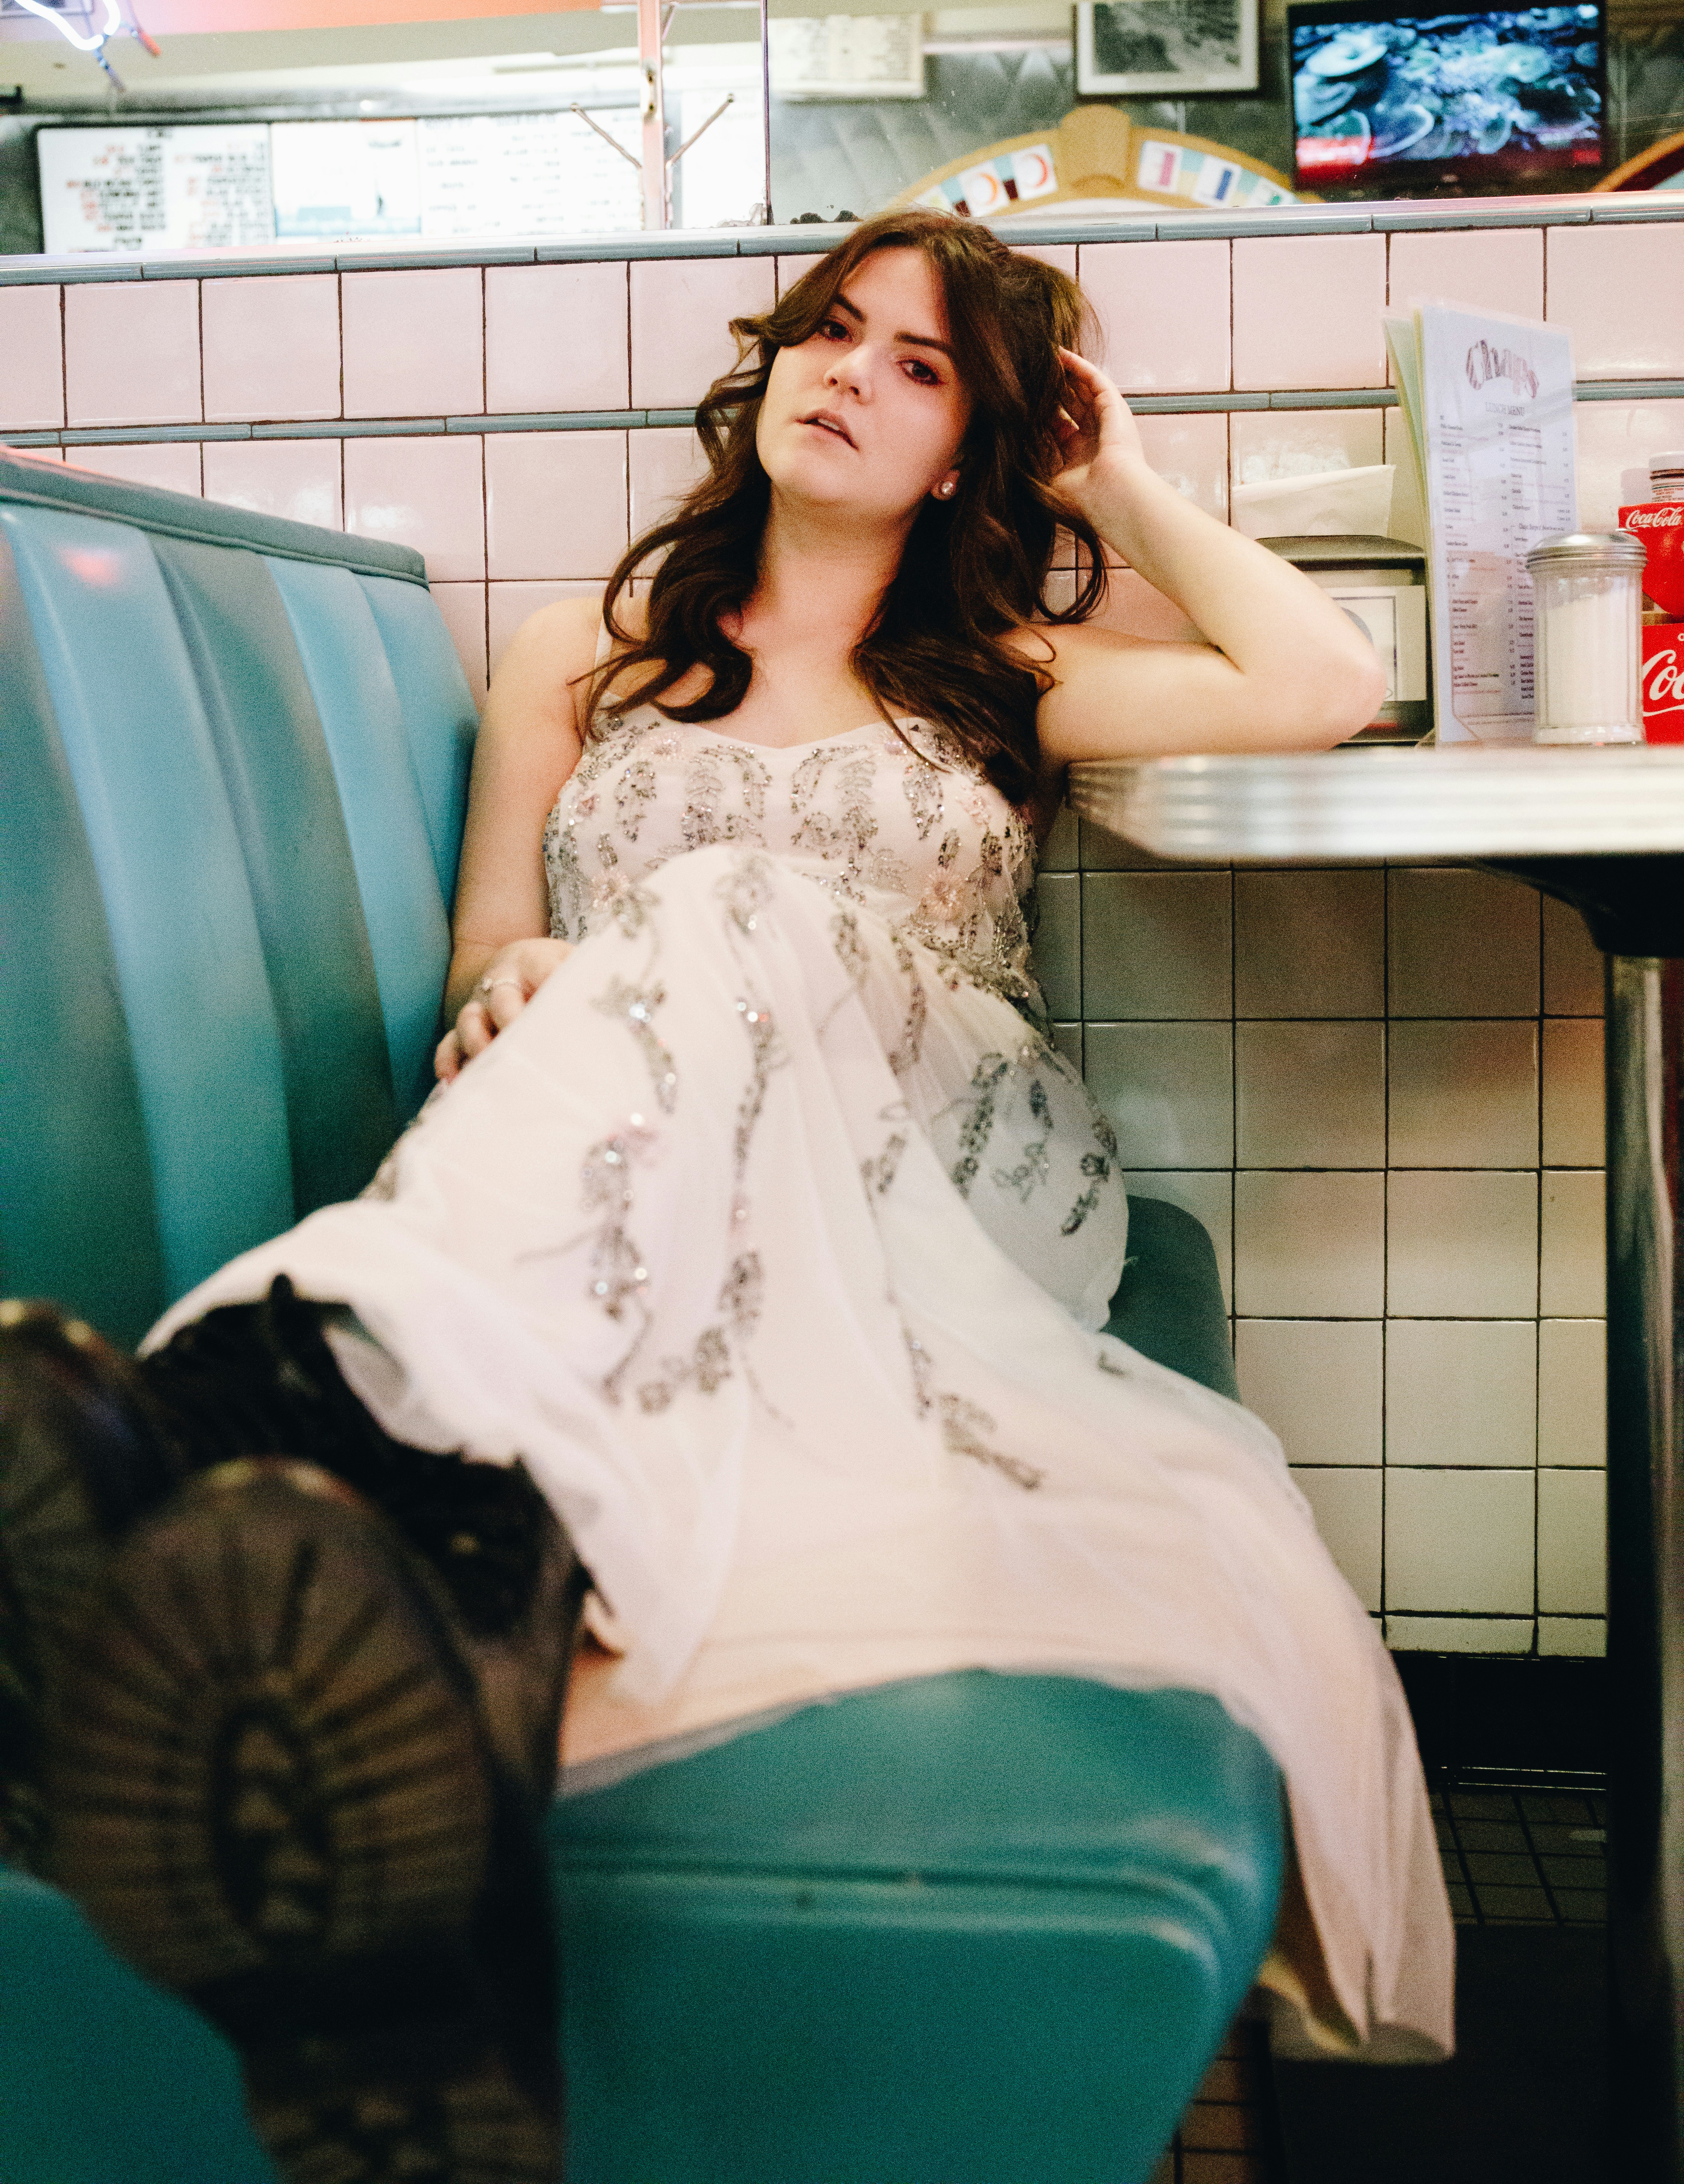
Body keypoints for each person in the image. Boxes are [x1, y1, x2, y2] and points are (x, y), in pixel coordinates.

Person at [0, 214, 1451, 2184]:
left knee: (721, 902)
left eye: (922, 367)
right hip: (627, 1140)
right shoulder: (575, 661)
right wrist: (509, 977)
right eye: (833, 333)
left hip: (937, 1172)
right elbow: (488, 956)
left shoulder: (1010, 671)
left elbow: (1327, 679)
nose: (850, 372)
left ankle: (246, 1428)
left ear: (968, 451)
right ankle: (387, 1619)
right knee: (613, 1029)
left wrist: (1108, 469)